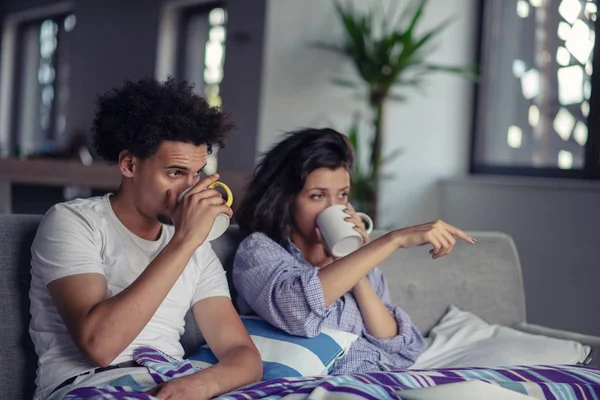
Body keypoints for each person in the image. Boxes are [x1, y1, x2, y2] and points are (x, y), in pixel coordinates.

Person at [29, 77, 262, 400]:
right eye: (175, 173)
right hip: (91, 385)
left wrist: (201, 385)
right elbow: (100, 347)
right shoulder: (74, 222)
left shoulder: (196, 248)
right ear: (129, 164)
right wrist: (184, 241)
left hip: (177, 380)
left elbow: (243, 355)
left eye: (197, 174)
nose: (191, 189)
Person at [233, 128, 475, 374]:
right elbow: (297, 311)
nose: (333, 208)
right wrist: (392, 240)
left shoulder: (361, 263)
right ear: (286, 198)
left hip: (372, 380)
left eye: (343, 195)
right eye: (317, 196)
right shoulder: (259, 250)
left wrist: (353, 260)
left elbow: (399, 347)